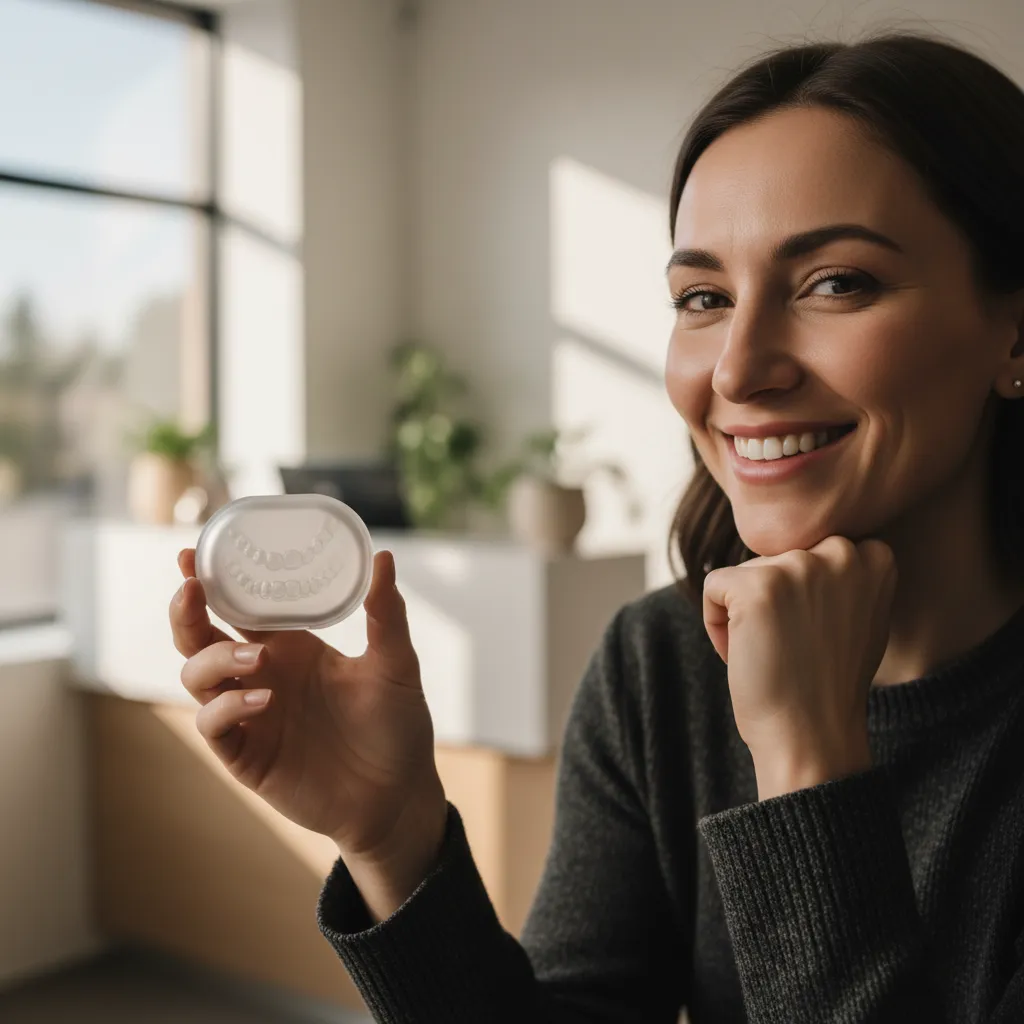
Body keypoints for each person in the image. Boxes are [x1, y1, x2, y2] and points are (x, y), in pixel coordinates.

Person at [169, 30, 1024, 1024]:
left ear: (1011, 332)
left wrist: (805, 760)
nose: (738, 370)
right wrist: (392, 836)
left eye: (836, 282)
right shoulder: (660, 662)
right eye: (702, 298)